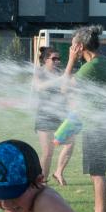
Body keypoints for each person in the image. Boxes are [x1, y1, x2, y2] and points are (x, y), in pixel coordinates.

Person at [64, 25, 106, 212]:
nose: (71, 49)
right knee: (96, 171)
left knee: (97, 172)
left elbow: (64, 89)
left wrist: (70, 61)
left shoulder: (90, 68)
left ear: (80, 47)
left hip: (96, 126)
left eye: (72, 46)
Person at [32, 46, 73, 186]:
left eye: (59, 59)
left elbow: (65, 91)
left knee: (70, 143)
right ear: (45, 60)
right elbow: (39, 87)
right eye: (54, 58)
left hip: (60, 117)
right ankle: (42, 181)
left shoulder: (60, 73)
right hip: (44, 117)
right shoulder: (39, 72)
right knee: (48, 152)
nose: (57, 61)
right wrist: (61, 79)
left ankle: (59, 172)